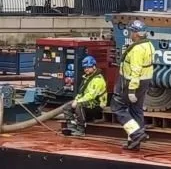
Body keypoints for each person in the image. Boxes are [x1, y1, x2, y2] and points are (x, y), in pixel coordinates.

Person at [114, 20, 155, 150]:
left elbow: (136, 70)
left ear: (136, 34)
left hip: (131, 82)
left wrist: (131, 90)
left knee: (118, 107)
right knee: (136, 110)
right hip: (145, 81)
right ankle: (134, 142)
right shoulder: (149, 45)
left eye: (132, 31)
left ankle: (136, 134)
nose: (130, 34)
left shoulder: (137, 49)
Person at [61, 55, 109, 136]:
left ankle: (81, 129)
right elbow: (81, 93)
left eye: (88, 67)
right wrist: (76, 100)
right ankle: (71, 127)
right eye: (85, 68)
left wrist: (77, 102)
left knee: (79, 106)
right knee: (66, 107)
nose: (86, 69)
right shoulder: (86, 78)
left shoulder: (98, 80)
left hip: (97, 105)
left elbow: (91, 96)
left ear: (94, 67)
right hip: (87, 102)